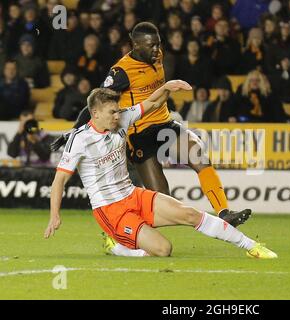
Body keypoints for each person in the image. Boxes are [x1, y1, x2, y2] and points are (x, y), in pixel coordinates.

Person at [50, 22, 251, 233]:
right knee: (162, 195)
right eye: (151, 46)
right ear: (135, 45)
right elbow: (97, 103)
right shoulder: (121, 72)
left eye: (158, 44)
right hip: (139, 135)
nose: (156, 50)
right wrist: (74, 130)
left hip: (164, 124)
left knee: (198, 155)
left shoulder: (157, 56)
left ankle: (223, 212)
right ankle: (123, 229)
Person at [44, 85, 277, 260]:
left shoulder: (122, 118)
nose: (118, 116)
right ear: (95, 114)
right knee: (163, 250)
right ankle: (117, 247)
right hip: (110, 210)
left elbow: (152, 104)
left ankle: (251, 246)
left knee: (190, 214)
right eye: (112, 112)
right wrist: (55, 215)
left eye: (118, 111)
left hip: (133, 195)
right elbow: (59, 181)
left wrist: (167, 86)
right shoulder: (80, 141)